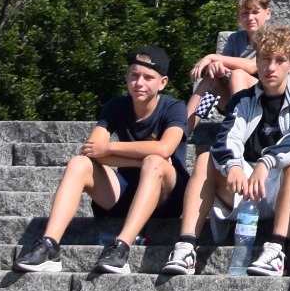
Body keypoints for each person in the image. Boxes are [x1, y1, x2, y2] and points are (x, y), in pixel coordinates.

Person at [165, 26, 290, 277]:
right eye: (265, 59)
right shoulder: (242, 99)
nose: (271, 67)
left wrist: (266, 162)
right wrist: (234, 166)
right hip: (247, 186)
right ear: (256, 61)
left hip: (288, 186)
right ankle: (186, 247)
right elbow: (227, 138)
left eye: (280, 60)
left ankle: (276, 250)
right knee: (206, 159)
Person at [17, 47, 187, 275]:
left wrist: (110, 148)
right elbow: (91, 151)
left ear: (162, 82)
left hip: (167, 197)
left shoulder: (174, 107)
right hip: (125, 191)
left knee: (155, 162)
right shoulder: (116, 106)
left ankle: (122, 247)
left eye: (148, 78)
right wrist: (137, 159)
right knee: (79, 163)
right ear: (127, 78)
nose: (139, 83)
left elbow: (164, 148)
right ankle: (49, 246)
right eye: (134, 76)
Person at [179, 0, 270, 213]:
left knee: (238, 74)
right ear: (238, 17)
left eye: (255, 12)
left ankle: (241, 129)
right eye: (245, 13)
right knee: (211, 79)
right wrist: (217, 68)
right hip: (234, 95)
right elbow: (229, 67)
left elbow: (253, 67)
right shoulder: (236, 39)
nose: (250, 18)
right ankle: (183, 131)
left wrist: (214, 57)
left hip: (262, 101)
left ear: (267, 13)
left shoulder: (271, 36)